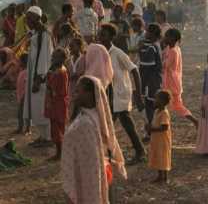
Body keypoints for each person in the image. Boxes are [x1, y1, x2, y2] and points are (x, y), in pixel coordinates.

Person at [62, 76, 127, 204]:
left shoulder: (86, 123)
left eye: (78, 91)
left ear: (90, 94)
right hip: (96, 175)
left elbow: (91, 162)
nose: (75, 95)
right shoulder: (91, 116)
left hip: (91, 177)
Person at [98, 23, 146, 165]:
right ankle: (110, 153)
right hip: (109, 94)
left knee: (122, 123)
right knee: (110, 124)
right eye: (100, 34)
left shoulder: (117, 53)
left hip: (120, 93)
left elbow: (134, 70)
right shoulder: (101, 52)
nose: (101, 36)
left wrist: (138, 93)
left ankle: (139, 152)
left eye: (104, 34)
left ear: (111, 37)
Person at [24, 6, 54, 147]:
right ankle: (42, 136)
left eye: (30, 18)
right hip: (34, 75)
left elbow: (45, 58)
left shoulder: (45, 35)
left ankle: (48, 138)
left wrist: (39, 77)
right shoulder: (37, 33)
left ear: (37, 18)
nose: (27, 20)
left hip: (40, 77)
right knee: (36, 107)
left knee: (42, 106)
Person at [162, 28, 198, 126]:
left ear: (173, 38)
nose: (165, 38)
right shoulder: (173, 48)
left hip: (172, 83)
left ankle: (195, 121)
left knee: (176, 105)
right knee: (174, 105)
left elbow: (165, 65)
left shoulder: (173, 51)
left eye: (167, 36)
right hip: (171, 81)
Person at [44, 48, 69, 161]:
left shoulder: (61, 72)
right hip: (54, 102)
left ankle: (60, 153)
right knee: (55, 128)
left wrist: (50, 89)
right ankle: (59, 152)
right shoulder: (56, 70)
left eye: (55, 57)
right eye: (53, 56)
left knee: (58, 128)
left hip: (58, 103)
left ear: (62, 59)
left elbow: (61, 91)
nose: (52, 58)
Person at [139, 23, 163, 130]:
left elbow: (146, 67)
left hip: (150, 81)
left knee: (150, 105)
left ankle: (151, 128)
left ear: (152, 33)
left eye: (147, 31)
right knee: (151, 104)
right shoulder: (155, 45)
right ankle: (151, 127)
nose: (145, 33)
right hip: (155, 80)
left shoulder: (151, 47)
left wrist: (142, 85)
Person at [147, 90, 172, 184]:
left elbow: (164, 127)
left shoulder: (164, 113)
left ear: (161, 101)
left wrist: (152, 129)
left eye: (156, 99)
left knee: (163, 158)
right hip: (157, 140)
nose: (154, 101)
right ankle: (160, 176)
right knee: (158, 157)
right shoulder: (157, 111)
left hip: (162, 141)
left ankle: (164, 177)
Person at [14, 54, 28, 134]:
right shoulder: (22, 71)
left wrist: (24, 97)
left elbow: (26, 85)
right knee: (20, 114)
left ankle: (27, 129)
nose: (18, 63)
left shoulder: (26, 72)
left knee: (25, 114)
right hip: (20, 97)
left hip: (24, 97)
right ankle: (20, 127)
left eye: (19, 61)